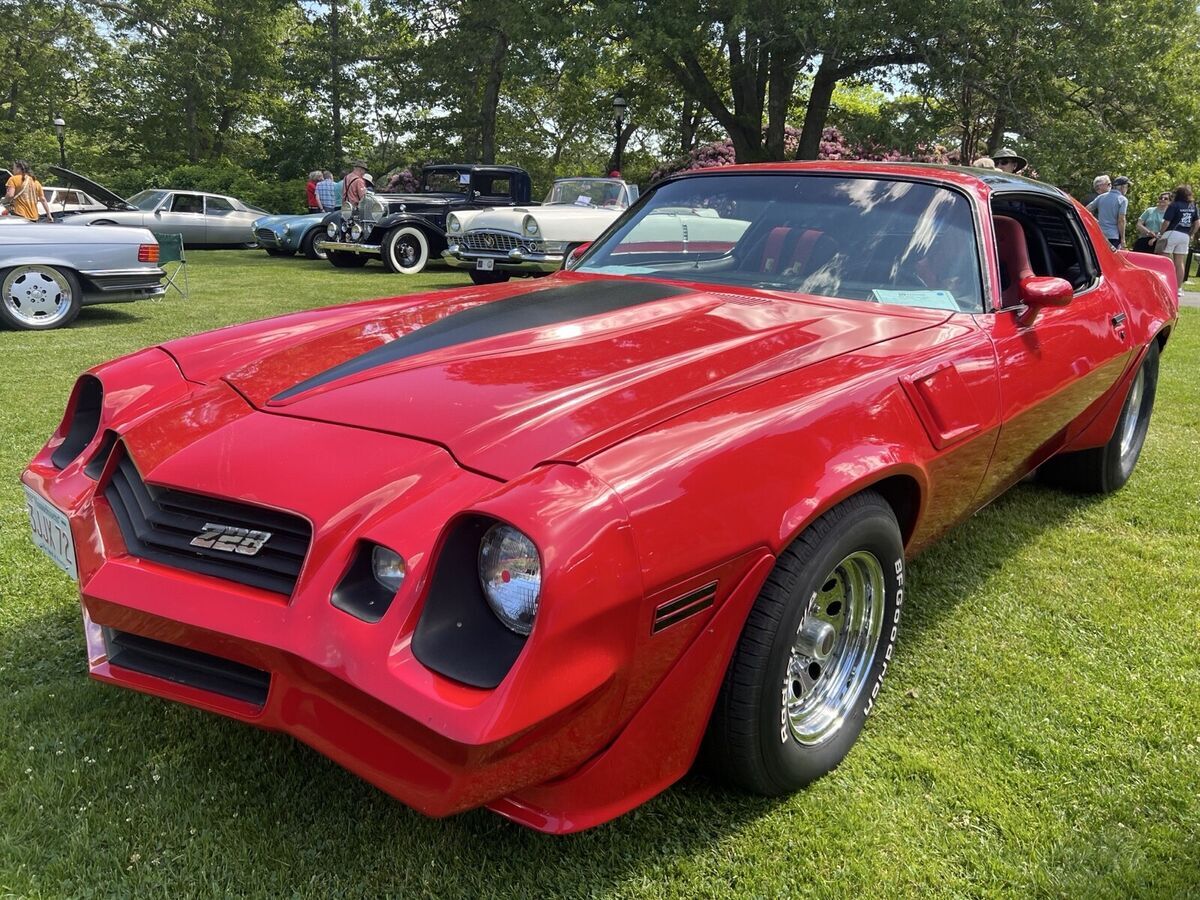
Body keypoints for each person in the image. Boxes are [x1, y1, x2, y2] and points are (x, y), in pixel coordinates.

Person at [1155, 184, 1198, 294]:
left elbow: (1167, 222)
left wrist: (1161, 233)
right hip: (1185, 235)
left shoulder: (1174, 205)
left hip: (1172, 233)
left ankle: (1164, 286)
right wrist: (1191, 233)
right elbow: (1197, 223)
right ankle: (1178, 288)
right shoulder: (1192, 206)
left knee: (1165, 260)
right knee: (1180, 263)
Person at [1086, 175, 1129, 249]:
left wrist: (1095, 221)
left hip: (1100, 234)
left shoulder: (1101, 197)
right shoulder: (1122, 199)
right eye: (1127, 187)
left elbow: (1086, 209)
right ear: (1122, 187)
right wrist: (1123, 239)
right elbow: (1121, 220)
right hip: (1113, 236)